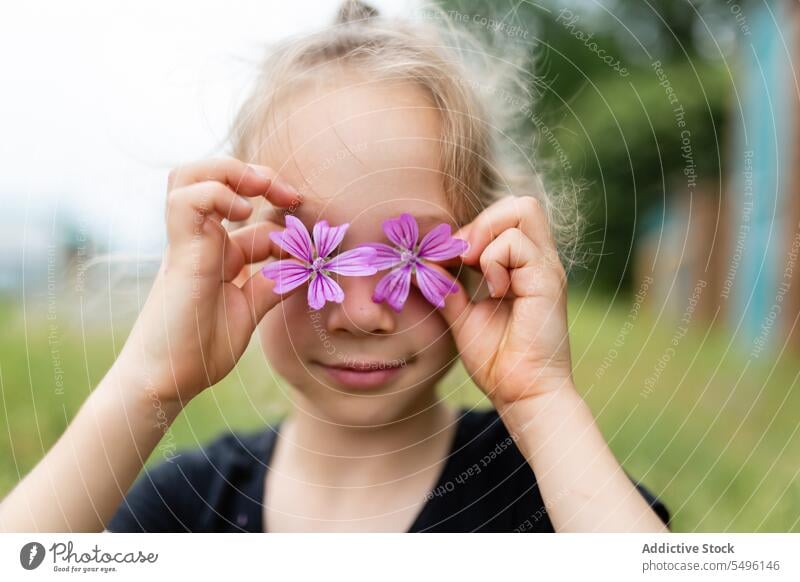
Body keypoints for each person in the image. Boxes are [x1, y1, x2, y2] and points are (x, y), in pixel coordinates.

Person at [0, 0, 670, 533]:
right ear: (242, 252)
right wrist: (147, 386)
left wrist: (542, 402)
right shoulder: (187, 507)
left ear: (482, 252)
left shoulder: (545, 497)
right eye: (310, 250)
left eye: (410, 259)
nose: (358, 313)